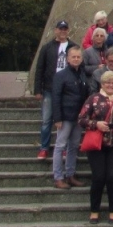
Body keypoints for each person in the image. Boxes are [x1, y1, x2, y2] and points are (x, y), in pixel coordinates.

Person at [77, 71, 113, 225]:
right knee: (98, 177)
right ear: (102, 84)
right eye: (107, 83)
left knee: (112, 177)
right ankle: (94, 211)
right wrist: (96, 124)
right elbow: (81, 119)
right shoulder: (93, 99)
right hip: (97, 144)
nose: (110, 85)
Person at [33, 20, 77, 160]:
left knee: (65, 120)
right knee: (47, 119)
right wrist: (37, 89)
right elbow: (40, 68)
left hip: (67, 90)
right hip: (49, 88)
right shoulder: (47, 48)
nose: (63, 31)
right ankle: (44, 147)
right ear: (56, 30)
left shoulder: (73, 46)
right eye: (60, 29)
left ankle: (63, 147)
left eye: (65, 29)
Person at [51, 46, 88, 189]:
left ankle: (70, 174)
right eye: (73, 57)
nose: (76, 59)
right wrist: (57, 118)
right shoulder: (61, 75)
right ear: (67, 58)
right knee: (60, 146)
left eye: (78, 57)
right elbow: (56, 97)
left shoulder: (82, 74)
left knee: (73, 146)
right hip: (65, 117)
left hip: (78, 117)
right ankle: (58, 177)